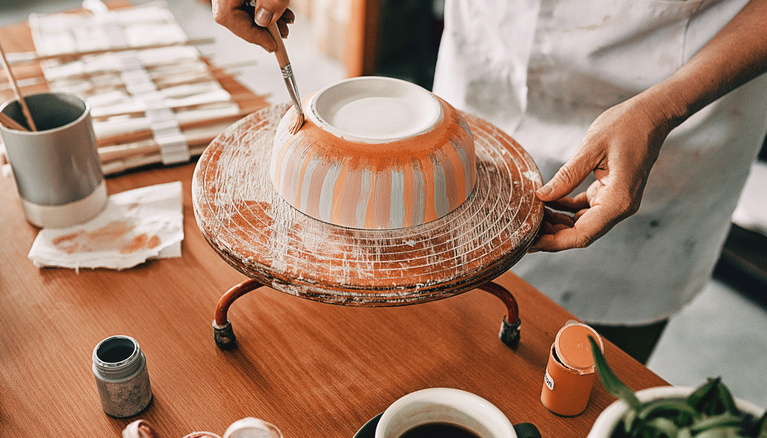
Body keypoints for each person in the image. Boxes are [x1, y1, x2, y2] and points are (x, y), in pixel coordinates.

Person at [213, 0, 767, 363]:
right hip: (484, 71)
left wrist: (664, 108)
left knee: (578, 376)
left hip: (668, 103)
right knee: (438, 344)